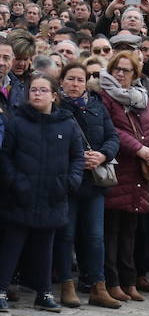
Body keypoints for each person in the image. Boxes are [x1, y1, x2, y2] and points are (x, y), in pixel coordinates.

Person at [0, 73, 84, 313]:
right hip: (20, 196)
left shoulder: (67, 123)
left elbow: (77, 157)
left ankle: (44, 294)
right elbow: (5, 157)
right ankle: (1, 290)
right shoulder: (17, 121)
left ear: (54, 96)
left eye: (43, 90)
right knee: (11, 246)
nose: (37, 94)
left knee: (45, 249)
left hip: (53, 196)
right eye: (33, 90)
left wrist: (70, 182)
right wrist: (16, 183)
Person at [53, 61, 121, 310]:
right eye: (70, 79)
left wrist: (102, 155)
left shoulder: (96, 105)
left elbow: (113, 137)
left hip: (94, 184)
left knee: (95, 237)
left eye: (80, 80)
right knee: (66, 236)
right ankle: (66, 285)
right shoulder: (54, 107)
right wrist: (75, 159)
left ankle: (97, 286)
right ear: (61, 81)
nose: (75, 84)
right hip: (67, 183)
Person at [99, 51, 149, 303]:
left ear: (135, 74)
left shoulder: (143, 98)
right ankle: (112, 282)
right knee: (112, 231)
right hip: (119, 169)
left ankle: (129, 281)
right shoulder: (104, 97)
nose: (121, 74)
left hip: (140, 172)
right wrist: (139, 148)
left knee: (130, 232)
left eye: (126, 70)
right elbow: (111, 128)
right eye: (117, 69)